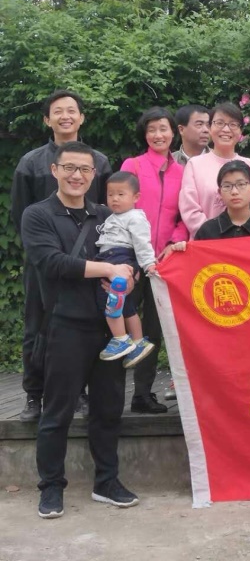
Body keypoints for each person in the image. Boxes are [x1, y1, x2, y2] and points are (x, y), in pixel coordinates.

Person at [21, 141, 139, 519]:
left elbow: (128, 256)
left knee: (108, 410)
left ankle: (107, 482)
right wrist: (107, 269)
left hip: (108, 330)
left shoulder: (106, 213)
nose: (77, 175)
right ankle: (51, 487)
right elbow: (52, 263)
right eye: (69, 168)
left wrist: (130, 277)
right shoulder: (37, 215)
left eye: (85, 170)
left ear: (94, 175)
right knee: (57, 412)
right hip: (64, 327)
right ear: (54, 170)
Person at [12, 89, 112, 423]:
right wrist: (42, 251)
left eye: (72, 110)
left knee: (84, 326)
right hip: (44, 261)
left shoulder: (98, 161)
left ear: (82, 117)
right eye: (58, 111)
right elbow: (20, 213)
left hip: (87, 263)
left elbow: (106, 211)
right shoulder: (31, 162)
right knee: (36, 325)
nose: (65, 116)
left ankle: (78, 392)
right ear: (47, 119)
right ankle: (33, 394)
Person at [120, 106, 189, 412]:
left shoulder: (182, 172)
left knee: (153, 329)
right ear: (144, 134)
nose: (158, 135)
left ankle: (142, 394)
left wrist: (173, 243)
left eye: (163, 128)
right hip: (128, 259)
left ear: (174, 132)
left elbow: (184, 216)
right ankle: (107, 392)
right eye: (151, 129)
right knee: (118, 324)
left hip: (163, 263)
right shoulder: (133, 165)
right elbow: (120, 209)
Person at [94, 172, 158, 366]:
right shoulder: (114, 216)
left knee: (107, 298)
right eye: (110, 194)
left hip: (119, 258)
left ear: (136, 197)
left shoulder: (135, 217)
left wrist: (148, 264)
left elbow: (142, 243)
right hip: (111, 258)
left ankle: (120, 338)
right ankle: (138, 342)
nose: (115, 198)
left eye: (121, 194)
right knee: (126, 303)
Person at [180, 102, 250, 238]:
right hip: (206, 242)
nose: (226, 129)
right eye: (219, 123)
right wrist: (214, 236)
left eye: (233, 124)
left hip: (244, 242)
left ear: (240, 131)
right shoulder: (195, 165)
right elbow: (189, 210)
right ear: (210, 127)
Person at [195, 161, 250, 240]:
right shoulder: (207, 231)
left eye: (241, 184)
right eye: (227, 186)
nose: (234, 192)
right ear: (220, 192)